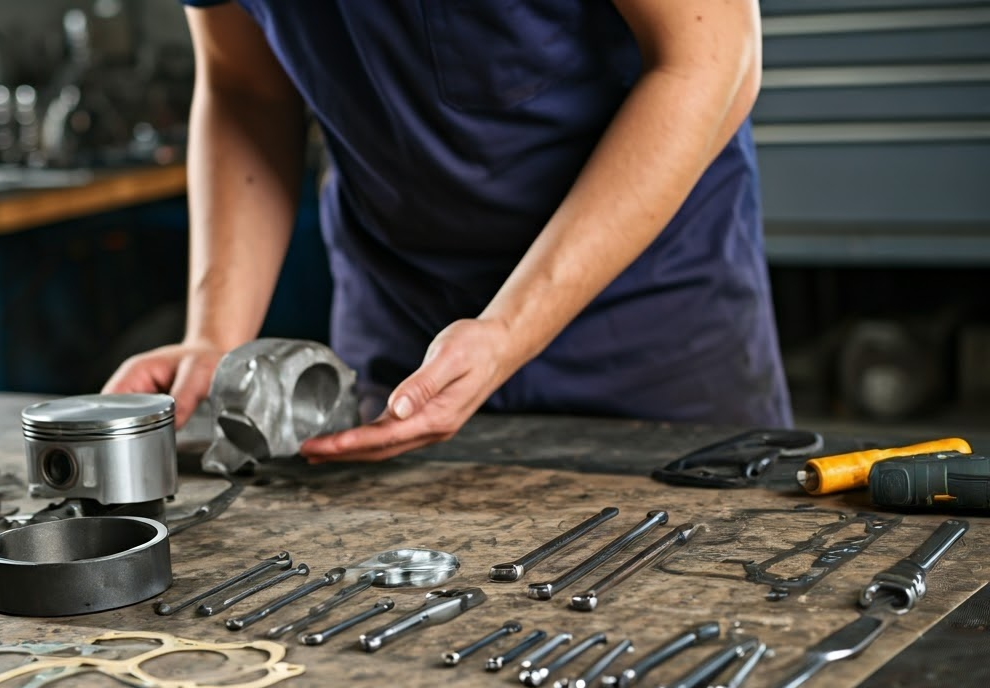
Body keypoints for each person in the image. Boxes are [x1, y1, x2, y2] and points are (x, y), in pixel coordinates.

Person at [103, 0, 794, 463]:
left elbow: (712, 60)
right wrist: (215, 334)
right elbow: (245, 88)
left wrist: (510, 329)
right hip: (403, 311)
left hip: (648, 312)